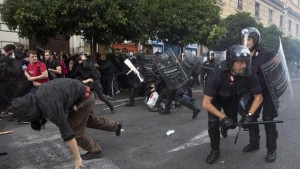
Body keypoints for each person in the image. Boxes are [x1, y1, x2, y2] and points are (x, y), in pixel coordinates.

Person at [10, 78, 122, 169]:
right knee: (88, 120)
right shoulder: (37, 95)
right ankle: (116, 126)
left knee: (74, 130)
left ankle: (96, 150)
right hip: (84, 94)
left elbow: (67, 132)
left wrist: (77, 159)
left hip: (84, 99)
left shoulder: (50, 107)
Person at [202, 44, 263, 164]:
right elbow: (206, 103)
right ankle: (215, 150)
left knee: (233, 124)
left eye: (246, 62)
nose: (244, 65)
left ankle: (224, 125)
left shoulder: (249, 73)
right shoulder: (217, 74)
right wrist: (223, 117)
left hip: (232, 97)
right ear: (231, 62)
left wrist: (249, 115)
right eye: (240, 62)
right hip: (216, 99)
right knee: (213, 122)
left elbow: (258, 97)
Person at [240, 27, 278, 162]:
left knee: (268, 118)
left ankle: (271, 149)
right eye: (244, 39)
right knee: (250, 117)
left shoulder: (266, 53)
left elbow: (277, 68)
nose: (246, 42)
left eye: (249, 39)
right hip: (254, 93)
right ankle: (254, 143)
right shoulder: (242, 55)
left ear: (256, 40)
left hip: (268, 92)